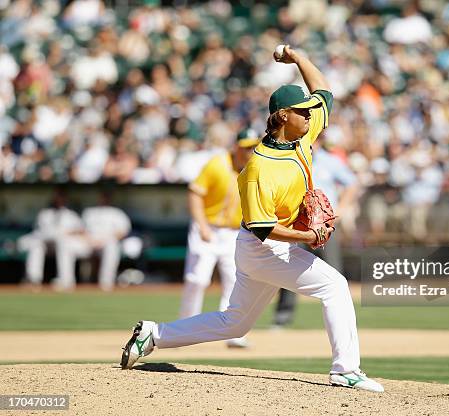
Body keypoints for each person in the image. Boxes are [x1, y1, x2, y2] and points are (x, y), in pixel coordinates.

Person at [121, 45, 384, 393]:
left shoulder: (301, 137)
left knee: (235, 324)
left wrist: (299, 58)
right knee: (334, 286)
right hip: (265, 248)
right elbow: (262, 228)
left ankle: (153, 334)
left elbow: (325, 93)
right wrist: (311, 237)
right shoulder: (259, 167)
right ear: (284, 116)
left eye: (309, 111)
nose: (310, 114)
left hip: (267, 248)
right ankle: (346, 370)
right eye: (302, 111)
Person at [179, 129, 260, 348]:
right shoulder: (217, 164)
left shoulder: (254, 168)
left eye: (252, 146)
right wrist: (202, 225)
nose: (249, 151)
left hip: (234, 232)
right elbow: (195, 192)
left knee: (234, 282)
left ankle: (232, 332)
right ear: (236, 147)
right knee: (197, 279)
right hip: (208, 227)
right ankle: (183, 329)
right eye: (245, 147)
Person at [273, 137, 359, 327]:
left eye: (316, 139)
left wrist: (342, 208)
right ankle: (282, 317)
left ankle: (341, 320)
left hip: (325, 225)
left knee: (335, 271)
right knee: (290, 271)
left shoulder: (330, 161)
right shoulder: (292, 160)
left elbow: (352, 183)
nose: (313, 142)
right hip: (298, 223)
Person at [54, 191, 131, 291]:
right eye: (102, 197)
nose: (104, 199)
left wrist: (103, 240)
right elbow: (81, 229)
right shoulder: (90, 212)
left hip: (106, 242)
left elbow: (123, 232)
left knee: (112, 245)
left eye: (106, 197)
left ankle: (106, 283)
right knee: (64, 243)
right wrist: (88, 239)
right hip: (88, 242)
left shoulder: (116, 212)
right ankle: (66, 282)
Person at [17, 188, 82, 289]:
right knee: (36, 246)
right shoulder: (45, 213)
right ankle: (33, 279)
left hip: (64, 244)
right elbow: (39, 230)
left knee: (63, 244)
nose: (59, 200)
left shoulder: (71, 214)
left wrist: (65, 233)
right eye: (57, 197)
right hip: (45, 243)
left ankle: (65, 280)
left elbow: (80, 230)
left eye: (61, 197)